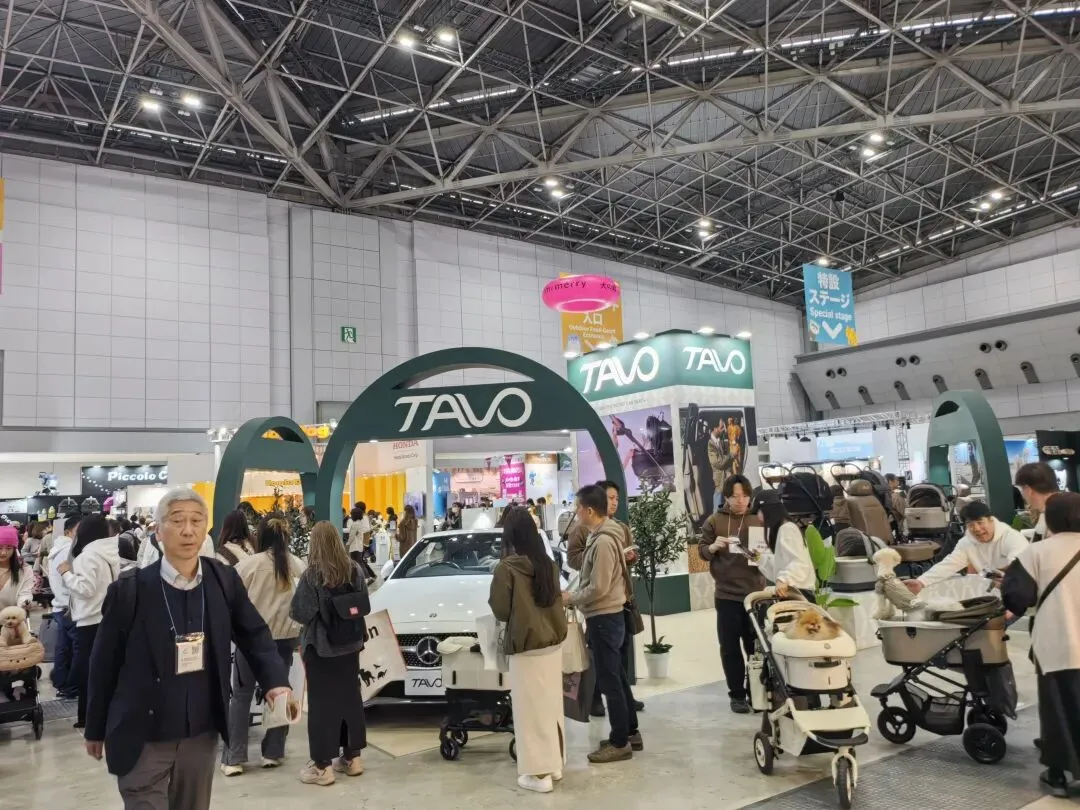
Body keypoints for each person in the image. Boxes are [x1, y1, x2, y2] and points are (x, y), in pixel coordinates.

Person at [84, 487, 292, 810]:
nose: (188, 530)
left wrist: (275, 682)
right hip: (144, 734)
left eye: (196, 521)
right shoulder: (130, 589)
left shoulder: (223, 580)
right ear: (157, 531)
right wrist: (95, 727)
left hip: (200, 732)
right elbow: (103, 663)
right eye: (177, 520)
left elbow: (254, 634)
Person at [1001, 492, 1080, 798]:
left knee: (1057, 710)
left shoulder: (1036, 553)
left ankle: (1057, 775)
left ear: (1051, 520)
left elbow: (1017, 598)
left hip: (1056, 644)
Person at [489, 507, 567, 793]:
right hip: (553, 646)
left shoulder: (506, 569)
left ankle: (539, 775)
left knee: (529, 714)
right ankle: (554, 765)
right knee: (551, 709)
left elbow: (500, 610)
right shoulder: (548, 564)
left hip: (526, 648)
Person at [222, 516, 306, 776]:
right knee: (281, 694)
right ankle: (272, 752)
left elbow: (230, 601)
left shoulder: (248, 566)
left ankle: (234, 757)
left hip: (251, 642)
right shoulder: (298, 565)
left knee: (241, 696)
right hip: (285, 641)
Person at [563, 484, 641, 764]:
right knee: (616, 676)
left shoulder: (605, 541)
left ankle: (620, 742)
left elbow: (599, 587)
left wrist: (571, 597)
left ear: (589, 510)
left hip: (604, 618)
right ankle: (629, 732)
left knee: (610, 682)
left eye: (578, 508)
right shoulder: (601, 536)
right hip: (605, 617)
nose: (576, 512)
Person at [289, 521, 370, 787]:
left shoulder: (313, 575)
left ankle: (323, 766)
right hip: (352, 646)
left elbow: (299, 613)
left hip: (322, 649)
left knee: (322, 707)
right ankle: (352, 758)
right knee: (350, 700)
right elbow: (363, 602)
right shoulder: (355, 569)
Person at [699, 474, 765, 713]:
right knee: (729, 648)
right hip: (727, 595)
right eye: (735, 496)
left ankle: (756, 693)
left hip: (756, 595)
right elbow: (702, 552)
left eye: (745, 496)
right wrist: (712, 547)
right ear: (726, 497)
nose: (740, 500)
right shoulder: (714, 521)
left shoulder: (758, 519)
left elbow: (771, 551)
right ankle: (736, 694)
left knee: (755, 648)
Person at [60, 514, 129, 729]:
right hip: (106, 617)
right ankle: (100, 715)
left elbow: (85, 589)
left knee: (88, 674)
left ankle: (88, 718)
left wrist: (66, 574)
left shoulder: (87, 556)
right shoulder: (108, 552)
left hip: (89, 621)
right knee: (102, 671)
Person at [904, 501, 1028, 596]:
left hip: (1018, 592)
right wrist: (921, 582)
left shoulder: (1012, 537)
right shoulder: (966, 542)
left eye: (980, 522)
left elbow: (1021, 564)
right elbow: (949, 564)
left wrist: (1007, 578)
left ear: (991, 520)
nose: (977, 529)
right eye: (971, 524)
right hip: (988, 592)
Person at [752, 494, 815, 600]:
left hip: (799, 593)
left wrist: (783, 579)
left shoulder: (787, 529)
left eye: (758, 511)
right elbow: (781, 567)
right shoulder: (783, 529)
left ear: (767, 510)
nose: (757, 516)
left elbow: (799, 562)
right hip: (792, 592)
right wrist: (760, 559)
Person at [48, 516, 81, 699]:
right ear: (68, 531)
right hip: (70, 606)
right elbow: (72, 580)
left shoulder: (57, 549)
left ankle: (61, 683)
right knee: (75, 649)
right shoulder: (69, 550)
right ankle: (71, 687)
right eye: (79, 529)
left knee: (64, 647)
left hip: (60, 605)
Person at [1016, 462, 1060, 541]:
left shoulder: (1050, 516)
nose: (1023, 494)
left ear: (1028, 489)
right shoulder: (1065, 507)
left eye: (1022, 489)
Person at [0, 525, 35, 610]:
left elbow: (25, 593)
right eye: (0, 548)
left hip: (12, 616)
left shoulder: (24, 570)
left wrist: (25, 602)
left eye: (8, 548)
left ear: (14, 549)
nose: (4, 552)